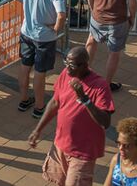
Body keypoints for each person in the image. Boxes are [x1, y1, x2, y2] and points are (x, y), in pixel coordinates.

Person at [28, 46, 115, 186]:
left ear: (85, 65)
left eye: (72, 65)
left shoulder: (100, 86)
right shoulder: (66, 74)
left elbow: (105, 121)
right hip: (61, 145)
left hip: (82, 153)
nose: (68, 68)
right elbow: (55, 102)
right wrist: (38, 130)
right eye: (66, 63)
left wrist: (85, 99)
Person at [2, 0, 66, 117]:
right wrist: (56, 29)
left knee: (25, 66)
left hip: (26, 32)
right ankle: (39, 107)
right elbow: (61, 15)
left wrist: (20, 0)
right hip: (44, 37)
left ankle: (24, 100)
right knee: (40, 71)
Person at [86, 0, 137, 91]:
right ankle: (106, 84)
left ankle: (83, 75)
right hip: (118, 21)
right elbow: (133, 3)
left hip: (97, 18)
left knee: (91, 43)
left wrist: (93, 9)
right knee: (114, 53)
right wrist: (131, 18)